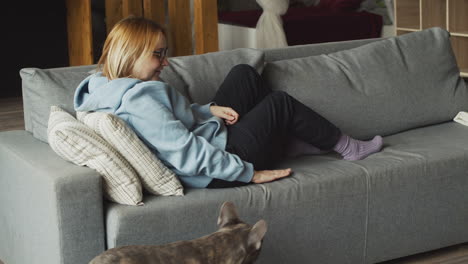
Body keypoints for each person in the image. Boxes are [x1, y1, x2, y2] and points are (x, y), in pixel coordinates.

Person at [74, 16, 383, 189]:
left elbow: (171, 121)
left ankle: (283, 144)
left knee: (244, 75)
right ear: (129, 52)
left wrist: (206, 110)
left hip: (209, 137)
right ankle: (348, 148)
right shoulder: (140, 100)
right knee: (280, 104)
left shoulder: (103, 84)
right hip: (217, 166)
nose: (165, 63)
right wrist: (250, 173)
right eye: (158, 54)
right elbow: (188, 154)